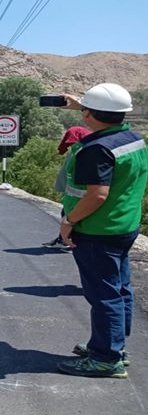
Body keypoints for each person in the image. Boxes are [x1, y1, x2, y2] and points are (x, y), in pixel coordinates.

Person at [56, 83, 148, 379]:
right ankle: (114, 346)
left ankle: (106, 358)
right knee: (120, 291)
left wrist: (69, 221)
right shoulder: (134, 139)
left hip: (98, 231)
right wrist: (83, 105)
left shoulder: (95, 149)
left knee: (103, 296)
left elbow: (96, 195)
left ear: (89, 115)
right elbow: (107, 115)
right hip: (125, 226)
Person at [42, 126, 91, 250]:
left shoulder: (83, 152)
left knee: (70, 216)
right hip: (73, 195)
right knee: (66, 213)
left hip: (79, 196)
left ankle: (66, 241)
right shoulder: (78, 150)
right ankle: (63, 239)